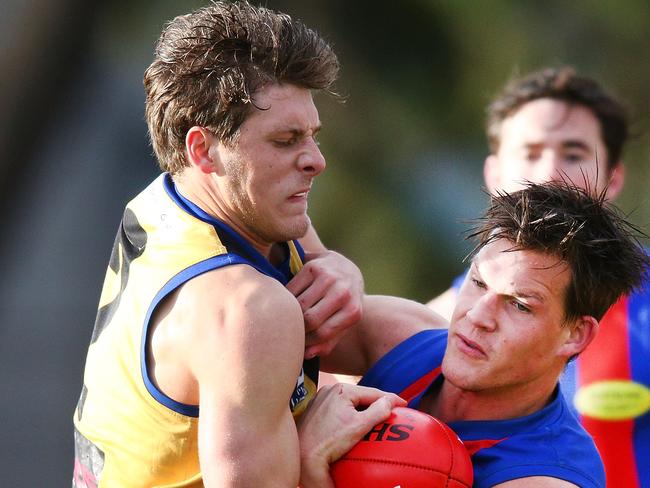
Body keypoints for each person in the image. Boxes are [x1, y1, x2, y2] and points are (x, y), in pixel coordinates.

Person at [71, 3, 400, 487]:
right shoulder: (247, 308)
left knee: (404, 329)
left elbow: (337, 309)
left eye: (312, 135)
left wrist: (338, 267)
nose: (315, 161)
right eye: (286, 141)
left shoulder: (172, 198)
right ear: (203, 150)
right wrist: (311, 460)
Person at [300, 181, 649, 487]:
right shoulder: (399, 336)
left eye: (519, 305)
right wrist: (327, 263)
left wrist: (310, 470)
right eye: (479, 282)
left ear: (576, 334)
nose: (477, 315)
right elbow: (255, 301)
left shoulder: (543, 478)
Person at [427, 67, 650, 488]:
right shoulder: (433, 324)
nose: (549, 172)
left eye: (573, 153)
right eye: (529, 153)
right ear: (493, 175)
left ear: (614, 177)